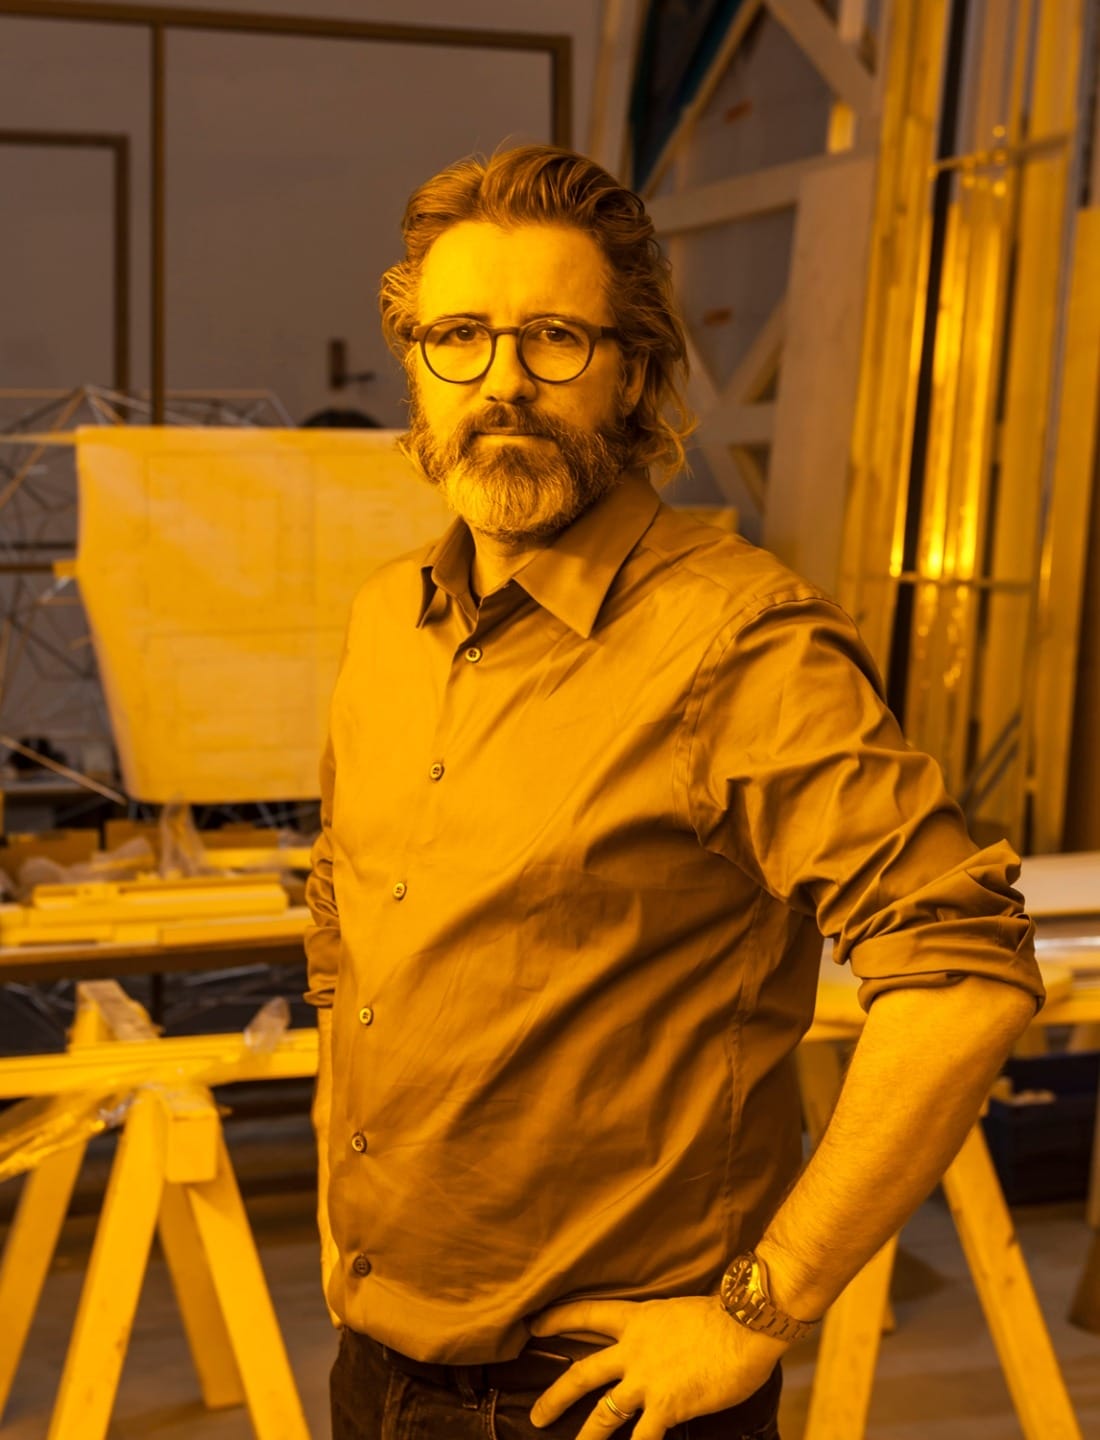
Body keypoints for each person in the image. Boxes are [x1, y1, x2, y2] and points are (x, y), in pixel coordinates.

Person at [304, 145, 1044, 1440]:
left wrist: (764, 1306)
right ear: (413, 363)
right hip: (375, 1369)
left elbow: (963, 973)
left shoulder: (736, 643)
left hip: (600, 1399)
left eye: (555, 339)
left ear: (635, 369)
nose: (504, 386)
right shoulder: (389, 622)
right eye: (460, 337)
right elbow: (346, 917)